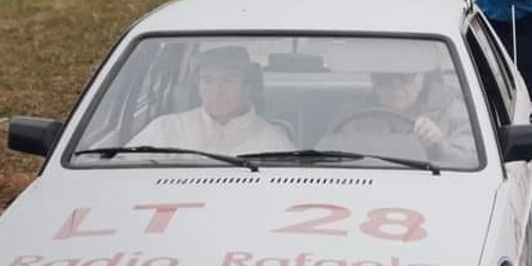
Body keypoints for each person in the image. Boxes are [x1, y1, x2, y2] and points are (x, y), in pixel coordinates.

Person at [129, 46, 294, 155]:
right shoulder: (167, 129)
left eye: (228, 81)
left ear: (247, 88)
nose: (217, 91)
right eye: (208, 81)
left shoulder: (273, 140)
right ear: (198, 87)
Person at [327, 71, 475, 165]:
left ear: (422, 78)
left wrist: (440, 146)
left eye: (406, 76)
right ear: (373, 79)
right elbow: (329, 159)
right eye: (384, 76)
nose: (395, 85)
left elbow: (471, 165)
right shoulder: (349, 116)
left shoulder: (455, 111)